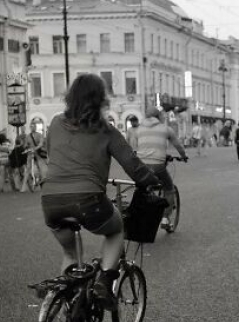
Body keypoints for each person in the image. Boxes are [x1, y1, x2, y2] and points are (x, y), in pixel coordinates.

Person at [41, 74, 160, 308]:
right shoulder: (106, 130)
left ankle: (67, 310)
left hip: (51, 201)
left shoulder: (55, 123)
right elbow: (132, 165)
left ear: (71, 97)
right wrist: (151, 181)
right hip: (88, 199)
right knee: (116, 229)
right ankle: (104, 282)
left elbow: (50, 154)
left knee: (70, 254)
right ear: (100, 99)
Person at [136, 106, 188, 225]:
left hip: (141, 165)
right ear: (158, 116)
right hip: (157, 165)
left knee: (143, 187)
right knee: (169, 188)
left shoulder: (139, 129)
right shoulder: (166, 129)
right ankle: (165, 218)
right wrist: (184, 156)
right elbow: (178, 145)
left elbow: (135, 146)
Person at [21, 125, 46, 192]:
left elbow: (41, 143)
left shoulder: (39, 135)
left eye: (34, 127)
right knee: (28, 170)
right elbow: (25, 145)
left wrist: (35, 148)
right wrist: (26, 148)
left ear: (36, 127)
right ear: (30, 128)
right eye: (31, 127)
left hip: (38, 155)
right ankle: (23, 187)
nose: (33, 128)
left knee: (41, 169)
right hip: (30, 154)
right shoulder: (28, 136)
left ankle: (41, 183)